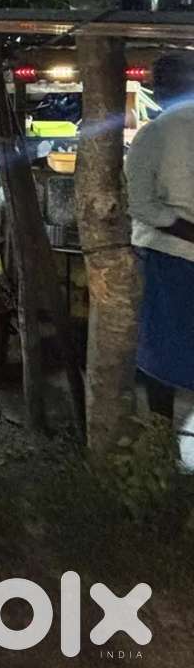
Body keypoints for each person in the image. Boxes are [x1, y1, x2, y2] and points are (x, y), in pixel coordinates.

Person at [125, 50, 194, 422]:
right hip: (174, 255)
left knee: (162, 353)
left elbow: (142, 206)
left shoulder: (154, 133)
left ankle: (161, 436)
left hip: (169, 255)